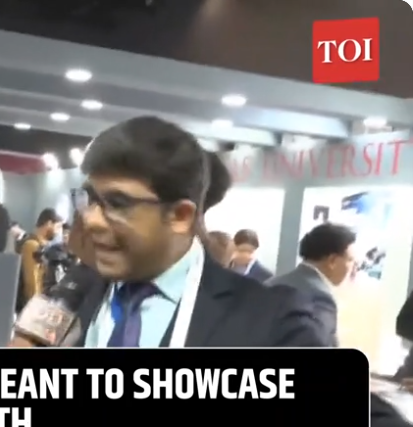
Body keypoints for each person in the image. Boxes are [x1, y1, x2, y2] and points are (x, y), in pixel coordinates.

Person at [19, 116, 323, 349]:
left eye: (118, 203)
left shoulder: (270, 319)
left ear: (181, 216)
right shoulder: (77, 290)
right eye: (91, 199)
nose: (91, 219)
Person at [266, 223, 355, 346]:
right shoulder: (320, 298)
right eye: (350, 260)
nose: (353, 268)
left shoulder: (270, 284)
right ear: (332, 261)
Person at [19, 208, 63, 304]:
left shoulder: (42, 247)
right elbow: (33, 281)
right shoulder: (32, 246)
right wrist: (36, 306)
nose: (59, 232)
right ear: (49, 223)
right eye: (58, 227)